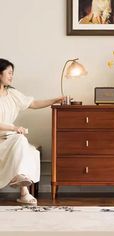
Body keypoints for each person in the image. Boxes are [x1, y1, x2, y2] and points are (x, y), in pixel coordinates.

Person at [0, 58, 64, 205]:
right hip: (5, 134)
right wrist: (14, 128)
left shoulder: (12, 93)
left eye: (12, 73)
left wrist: (55, 100)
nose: (11, 76)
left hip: (8, 137)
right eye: (9, 73)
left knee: (22, 141)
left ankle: (22, 186)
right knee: (20, 139)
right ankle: (24, 192)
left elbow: (33, 103)